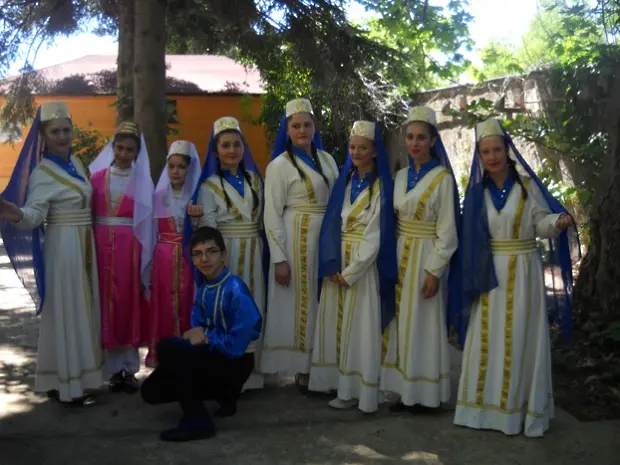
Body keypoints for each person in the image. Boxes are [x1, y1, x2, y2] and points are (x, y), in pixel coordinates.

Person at [453, 118, 579, 438]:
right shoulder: (477, 193)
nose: (492, 156)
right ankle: (482, 410)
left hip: (524, 270)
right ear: (479, 156)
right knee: (488, 336)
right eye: (485, 152)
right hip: (488, 273)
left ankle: (519, 412)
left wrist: (556, 222)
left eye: (497, 150)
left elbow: (540, 223)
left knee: (523, 335)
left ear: (506, 150)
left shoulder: (526, 186)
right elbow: (470, 240)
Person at [0, 102, 104, 405]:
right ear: (43, 136)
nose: (62, 136)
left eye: (66, 130)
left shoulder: (77, 163)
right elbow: (34, 216)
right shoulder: (42, 173)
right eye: (55, 131)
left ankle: (72, 378)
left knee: (82, 310)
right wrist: (14, 212)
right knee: (67, 312)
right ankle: (69, 386)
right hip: (64, 249)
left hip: (84, 245)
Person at [141, 226, 262, 442]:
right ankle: (226, 398)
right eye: (197, 254)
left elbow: (238, 343)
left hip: (236, 363)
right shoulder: (205, 288)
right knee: (152, 391)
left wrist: (206, 336)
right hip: (215, 356)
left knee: (170, 349)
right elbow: (196, 330)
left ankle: (198, 421)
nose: (204, 259)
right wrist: (200, 337)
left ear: (224, 254)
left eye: (211, 251)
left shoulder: (235, 289)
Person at [308, 121, 397, 413]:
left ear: (375, 151)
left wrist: (352, 271)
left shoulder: (382, 187)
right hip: (338, 259)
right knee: (334, 322)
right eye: (353, 147)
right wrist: (331, 262)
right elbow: (331, 223)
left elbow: (376, 233)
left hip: (362, 265)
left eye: (363, 148)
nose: (356, 152)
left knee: (360, 326)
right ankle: (335, 383)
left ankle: (357, 390)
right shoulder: (344, 182)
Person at [381, 106, 460, 413]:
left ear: (433, 141)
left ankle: (425, 396)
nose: (414, 143)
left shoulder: (443, 179)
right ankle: (403, 391)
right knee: (400, 322)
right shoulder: (400, 176)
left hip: (426, 255)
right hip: (400, 253)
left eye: (421, 138)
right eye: (410, 137)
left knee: (425, 323)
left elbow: (448, 232)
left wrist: (434, 271)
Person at [260, 98, 339, 392]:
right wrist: (279, 257)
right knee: (300, 301)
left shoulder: (328, 160)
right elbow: (271, 212)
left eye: (307, 125)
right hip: (295, 239)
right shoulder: (279, 166)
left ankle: (324, 364)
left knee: (324, 300)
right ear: (287, 130)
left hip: (326, 237)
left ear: (314, 127)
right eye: (296, 126)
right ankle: (303, 368)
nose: (302, 130)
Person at [186, 116, 267, 390]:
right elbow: (208, 229)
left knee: (255, 304)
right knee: (227, 308)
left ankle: (253, 374)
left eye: (237, 144)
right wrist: (197, 219)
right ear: (215, 150)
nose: (232, 150)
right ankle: (228, 373)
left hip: (254, 249)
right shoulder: (208, 186)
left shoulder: (255, 180)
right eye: (225, 145)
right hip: (227, 251)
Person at [89, 121, 154, 393]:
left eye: (130, 150)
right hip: (101, 243)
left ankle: (129, 368)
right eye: (120, 148)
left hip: (130, 247)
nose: (124, 154)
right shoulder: (95, 178)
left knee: (128, 302)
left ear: (137, 153)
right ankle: (111, 370)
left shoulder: (142, 182)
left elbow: (147, 220)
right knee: (105, 303)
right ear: (112, 147)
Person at [145, 140, 202, 367]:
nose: (175, 171)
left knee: (189, 302)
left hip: (189, 258)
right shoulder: (158, 196)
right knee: (163, 305)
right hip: (164, 259)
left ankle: (189, 357)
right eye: (171, 166)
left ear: (190, 169)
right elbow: (150, 232)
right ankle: (164, 357)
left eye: (181, 167)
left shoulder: (197, 197)